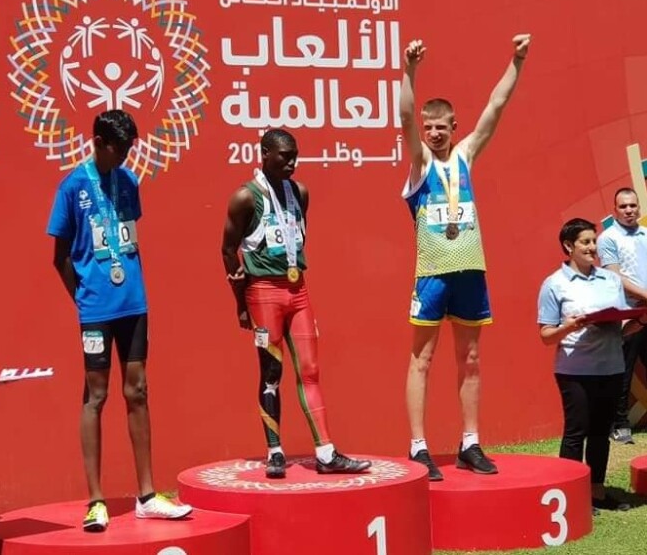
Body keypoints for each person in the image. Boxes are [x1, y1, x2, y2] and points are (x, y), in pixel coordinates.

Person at [47, 109, 191, 531]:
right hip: (95, 308)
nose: (128, 155)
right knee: (95, 395)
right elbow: (59, 257)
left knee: (139, 390)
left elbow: (126, 237)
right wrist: (83, 298)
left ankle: (147, 495)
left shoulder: (128, 182)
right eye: (122, 147)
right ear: (100, 143)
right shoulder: (73, 186)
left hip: (134, 303)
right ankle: (96, 501)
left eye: (131, 147)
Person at [399, 34, 531, 480]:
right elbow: (403, 118)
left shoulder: (466, 157)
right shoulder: (419, 164)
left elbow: (496, 107)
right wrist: (409, 71)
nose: (434, 132)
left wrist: (516, 60)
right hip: (432, 274)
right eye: (428, 126)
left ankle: (470, 443)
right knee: (422, 359)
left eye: (442, 126)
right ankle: (418, 446)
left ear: (454, 128)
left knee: (471, 359)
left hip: (470, 270)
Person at [221, 128, 372, 479]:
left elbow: (293, 237)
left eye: (295, 156)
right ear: (265, 154)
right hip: (263, 293)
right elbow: (228, 250)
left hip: (297, 290)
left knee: (311, 370)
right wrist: (240, 302)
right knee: (271, 373)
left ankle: (326, 452)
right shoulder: (245, 197)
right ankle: (275, 451)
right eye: (284, 156)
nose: (292, 162)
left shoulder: (299, 193)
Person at [537, 218, 630, 513]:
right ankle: (569, 496)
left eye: (594, 242)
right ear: (568, 246)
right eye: (586, 243)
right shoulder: (554, 284)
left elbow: (622, 323)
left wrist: (633, 321)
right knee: (576, 432)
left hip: (612, 366)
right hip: (575, 370)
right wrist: (571, 326)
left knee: (602, 432)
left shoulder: (611, 280)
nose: (593, 248)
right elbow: (546, 336)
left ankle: (598, 493)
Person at [596, 187, 647, 444]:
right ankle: (620, 424)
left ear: (639, 207)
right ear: (615, 210)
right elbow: (614, 276)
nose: (629, 210)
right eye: (623, 206)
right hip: (628, 313)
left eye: (633, 206)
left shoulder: (646, 234)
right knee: (624, 369)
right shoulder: (608, 238)